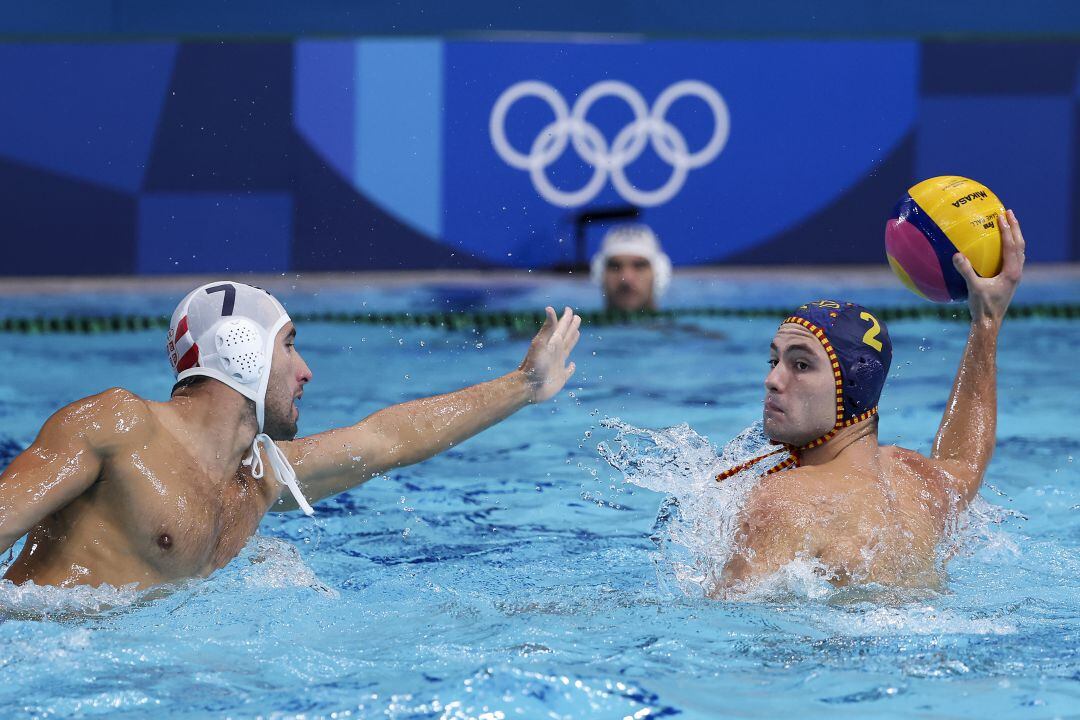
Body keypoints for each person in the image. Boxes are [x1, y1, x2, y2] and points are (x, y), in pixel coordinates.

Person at [0, 281, 581, 589]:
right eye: (290, 343)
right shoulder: (117, 426)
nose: (306, 372)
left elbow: (387, 440)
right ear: (240, 347)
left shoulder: (256, 478)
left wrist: (523, 386)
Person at [714, 211, 1025, 593]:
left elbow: (725, 620)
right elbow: (964, 460)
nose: (772, 380)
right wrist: (987, 321)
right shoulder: (918, 481)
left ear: (851, 387)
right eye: (773, 360)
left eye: (800, 364)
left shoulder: (783, 499)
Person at [590, 224, 672, 313]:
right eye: (615, 266)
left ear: (659, 274)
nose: (626, 279)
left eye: (639, 266)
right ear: (599, 274)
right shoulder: (579, 325)